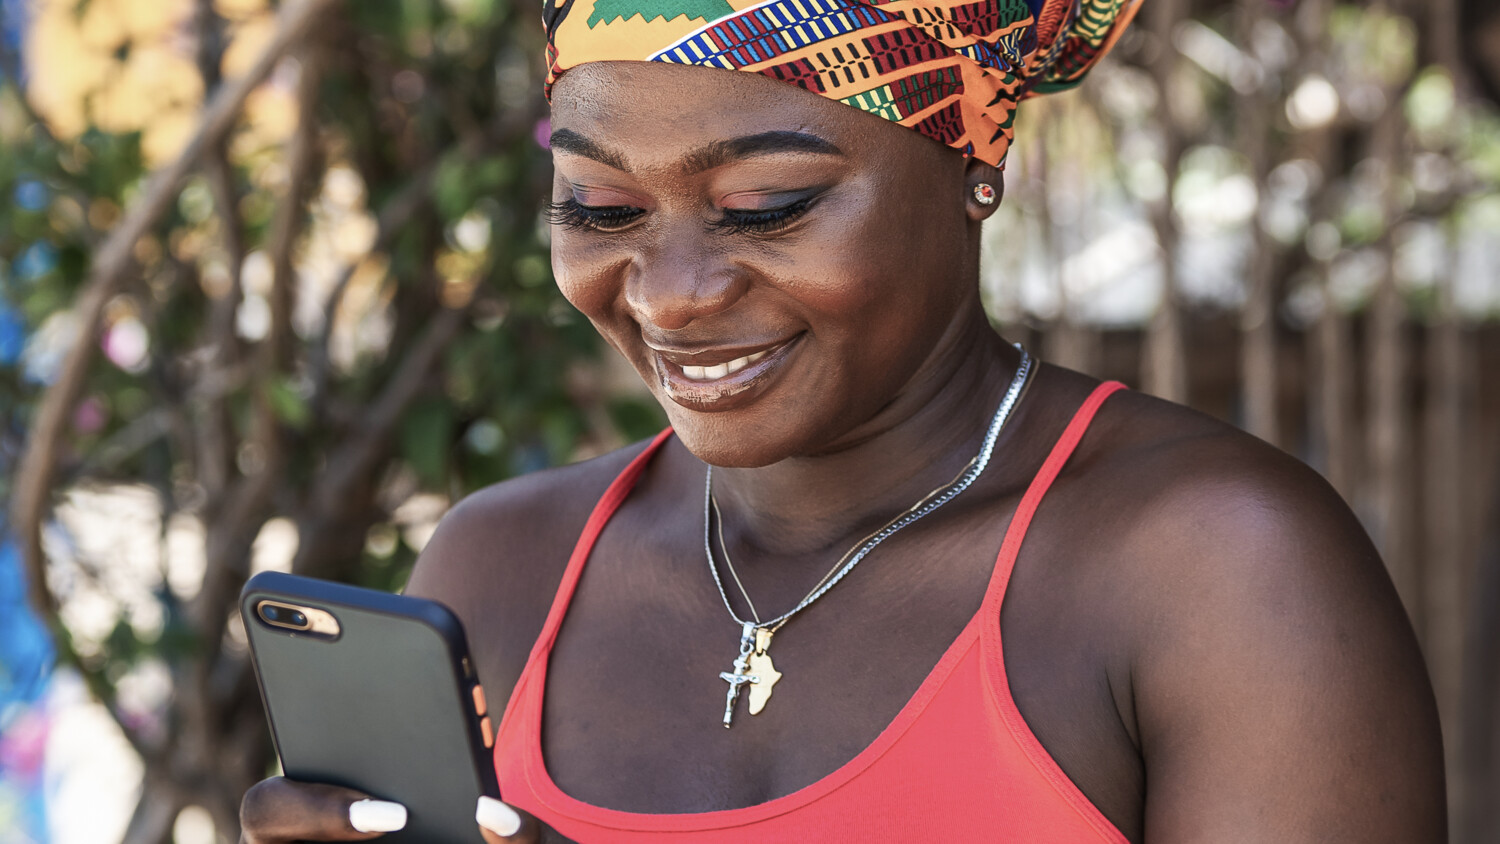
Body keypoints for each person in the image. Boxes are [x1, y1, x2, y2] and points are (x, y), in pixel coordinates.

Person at [239, 0, 1447, 841]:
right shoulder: (505, 569)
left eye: (767, 205)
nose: (669, 294)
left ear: (972, 166)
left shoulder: (1214, 571)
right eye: (601, 208)